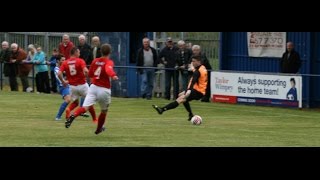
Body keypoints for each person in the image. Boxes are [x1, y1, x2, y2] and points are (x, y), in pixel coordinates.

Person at [65, 44, 118, 135]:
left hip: (93, 87)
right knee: (104, 111)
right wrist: (113, 75)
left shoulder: (95, 61)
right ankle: (98, 129)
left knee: (85, 107)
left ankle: (73, 115)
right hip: (104, 89)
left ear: (100, 51)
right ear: (109, 52)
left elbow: (89, 74)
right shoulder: (108, 62)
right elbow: (108, 69)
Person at [152, 55, 207, 121]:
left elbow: (193, 80)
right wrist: (188, 68)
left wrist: (189, 90)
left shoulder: (198, 72)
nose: (192, 63)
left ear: (199, 62)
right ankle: (190, 114)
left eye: (194, 61)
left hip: (197, 91)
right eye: (192, 61)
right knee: (180, 95)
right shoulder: (202, 68)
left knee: (181, 99)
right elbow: (195, 70)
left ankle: (162, 109)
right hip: (198, 90)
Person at [57, 47, 97, 123]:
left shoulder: (65, 62)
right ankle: (94, 119)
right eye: (78, 52)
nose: (79, 54)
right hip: (82, 85)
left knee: (75, 103)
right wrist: (88, 76)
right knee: (90, 102)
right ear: (75, 53)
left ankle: (68, 110)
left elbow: (59, 73)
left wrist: (63, 81)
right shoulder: (80, 61)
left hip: (72, 87)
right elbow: (85, 71)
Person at [54, 55, 71, 121]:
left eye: (65, 60)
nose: (64, 61)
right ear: (58, 61)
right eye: (62, 60)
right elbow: (60, 79)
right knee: (68, 99)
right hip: (63, 87)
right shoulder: (56, 69)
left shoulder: (65, 67)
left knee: (84, 94)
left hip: (70, 85)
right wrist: (65, 81)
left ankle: (82, 111)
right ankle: (58, 116)